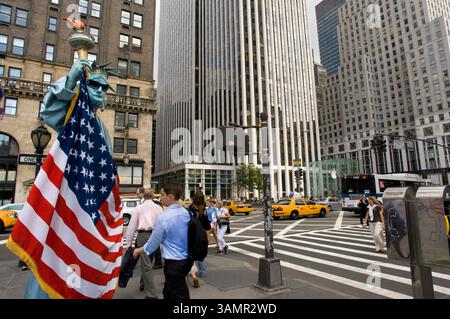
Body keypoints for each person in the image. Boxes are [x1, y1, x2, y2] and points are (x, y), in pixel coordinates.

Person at [22, 58, 119, 299]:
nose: (100, 91)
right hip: (67, 206)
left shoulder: (101, 127)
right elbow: (50, 111)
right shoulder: (77, 115)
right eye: (94, 85)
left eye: (104, 88)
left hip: (90, 211)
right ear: (85, 87)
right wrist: (71, 79)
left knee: (79, 275)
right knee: (53, 271)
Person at [133, 183, 193, 301]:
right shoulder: (185, 212)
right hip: (186, 259)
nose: (160, 197)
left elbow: (153, 244)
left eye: (162, 194)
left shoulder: (164, 218)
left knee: (176, 293)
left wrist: (138, 250)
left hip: (173, 262)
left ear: (170, 196)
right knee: (176, 290)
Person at [126, 188, 163, 299]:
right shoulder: (159, 208)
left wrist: (129, 243)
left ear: (143, 196)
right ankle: (143, 283)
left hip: (143, 235)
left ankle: (151, 294)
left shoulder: (138, 208)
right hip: (155, 235)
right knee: (148, 261)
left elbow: (131, 227)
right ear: (153, 196)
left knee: (146, 264)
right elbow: (162, 225)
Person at [187, 191, 210, 288]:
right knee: (201, 254)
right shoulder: (203, 210)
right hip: (202, 235)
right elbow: (207, 226)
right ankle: (202, 272)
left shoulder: (190, 209)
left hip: (192, 234)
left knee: (190, 254)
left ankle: (192, 273)